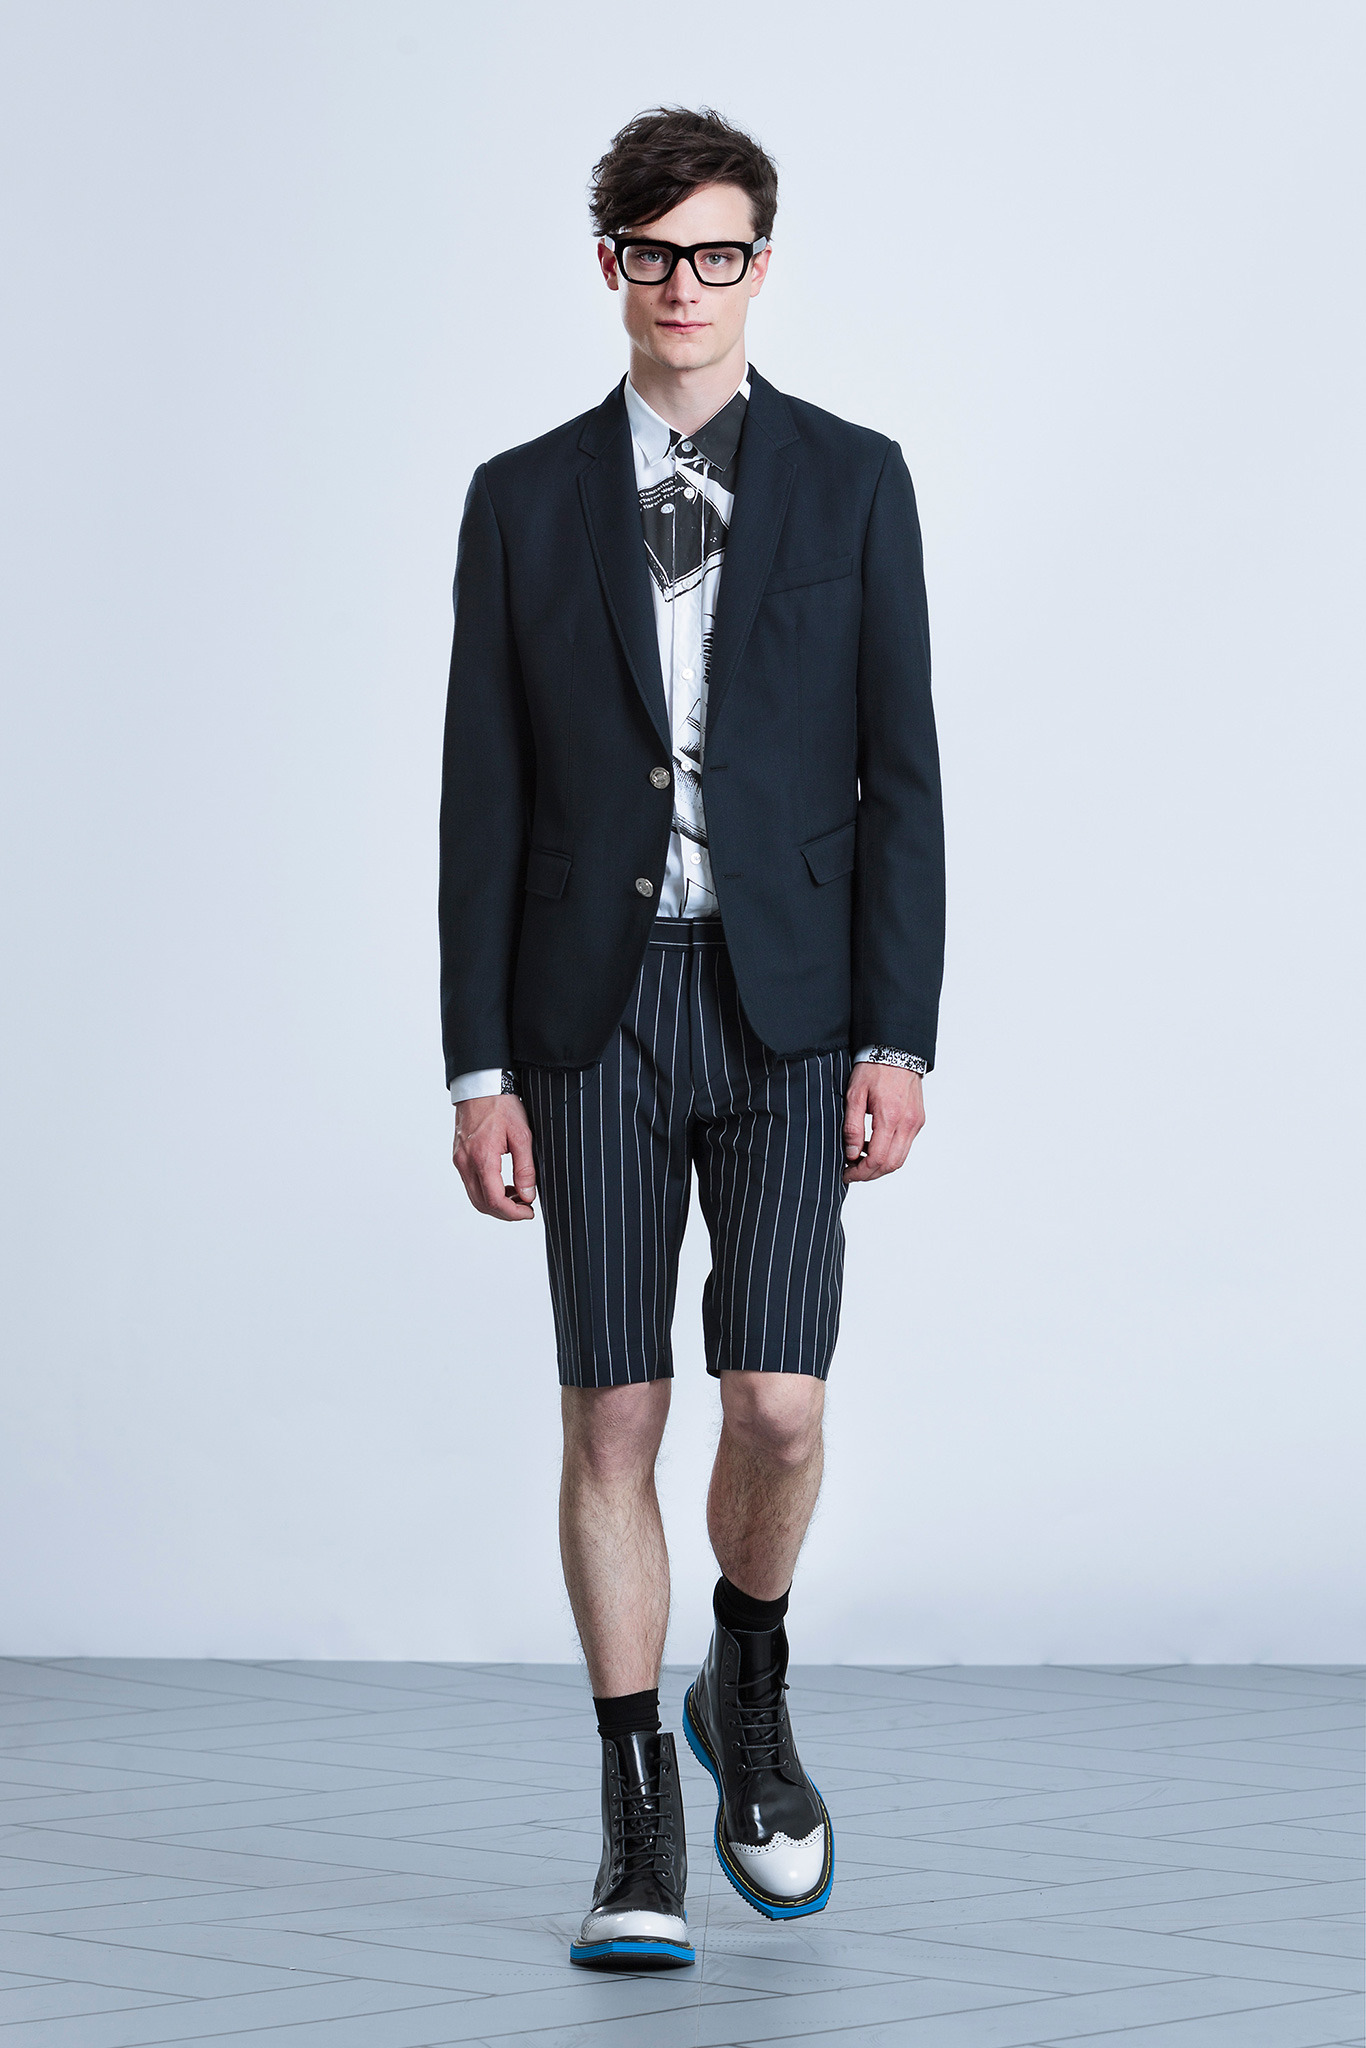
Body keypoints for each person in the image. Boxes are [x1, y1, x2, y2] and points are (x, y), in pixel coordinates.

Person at [439, 105, 944, 1969]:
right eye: (652, 254)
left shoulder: (857, 479)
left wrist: (900, 1034)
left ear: (758, 266)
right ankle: (633, 1816)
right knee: (614, 1413)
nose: (683, 286)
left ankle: (746, 1672)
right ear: (611, 267)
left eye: (715, 252)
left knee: (777, 1402)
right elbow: (479, 797)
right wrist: (477, 1069)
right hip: (591, 1012)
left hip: (794, 1010)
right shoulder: (519, 498)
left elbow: (903, 776)